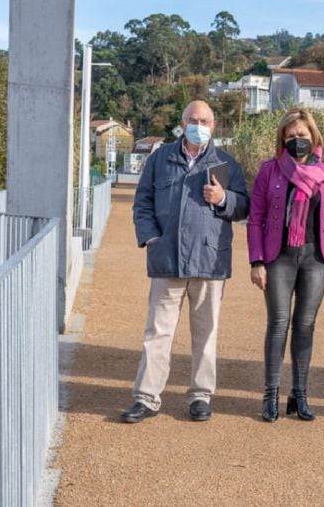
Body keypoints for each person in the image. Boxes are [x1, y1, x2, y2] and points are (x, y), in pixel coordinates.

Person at [122, 100, 249, 424]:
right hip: (167, 259)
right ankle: (146, 398)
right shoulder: (160, 159)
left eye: (204, 120)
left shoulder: (226, 163)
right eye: (193, 119)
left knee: (205, 334)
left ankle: (200, 395)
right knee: (157, 333)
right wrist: (151, 239)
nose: (198, 124)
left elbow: (244, 207)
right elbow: (143, 202)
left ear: (214, 125)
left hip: (210, 261)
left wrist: (224, 199)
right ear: (182, 123)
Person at [247, 108, 324, 422]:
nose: (297, 141)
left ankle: (299, 394)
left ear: (313, 137)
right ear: (282, 140)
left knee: (305, 326)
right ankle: (270, 394)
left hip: (315, 258)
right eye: (291, 136)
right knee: (278, 324)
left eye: (302, 136)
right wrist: (257, 261)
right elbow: (255, 218)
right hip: (279, 258)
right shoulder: (269, 170)